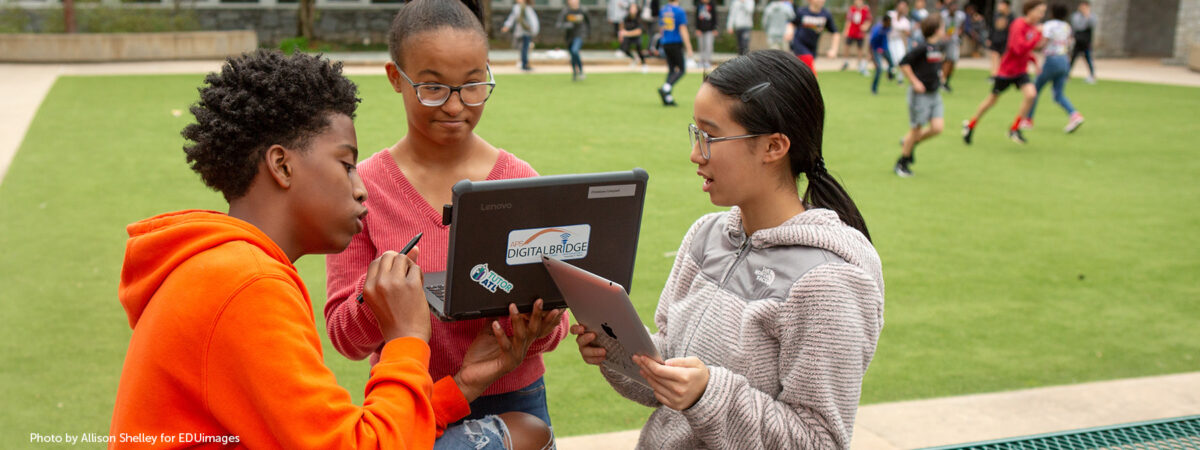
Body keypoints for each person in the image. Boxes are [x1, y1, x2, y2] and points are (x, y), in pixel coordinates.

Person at [111, 49, 553, 450]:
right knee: (526, 434)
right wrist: (405, 337)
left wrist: (462, 384)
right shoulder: (247, 284)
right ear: (282, 165)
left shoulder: (227, 267)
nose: (362, 191)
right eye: (346, 165)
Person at [572, 49, 884, 449]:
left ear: (774, 147)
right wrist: (615, 344)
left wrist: (708, 395)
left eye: (711, 136)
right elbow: (669, 370)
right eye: (695, 133)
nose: (695, 154)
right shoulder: (706, 234)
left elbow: (818, 441)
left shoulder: (829, 280)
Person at [324, 0, 569, 442]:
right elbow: (345, 337)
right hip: (406, 401)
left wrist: (542, 324)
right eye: (433, 88)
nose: (456, 106)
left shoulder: (520, 181)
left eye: (473, 85)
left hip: (518, 396)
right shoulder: (364, 190)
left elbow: (555, 328)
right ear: (396, 77)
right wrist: (383, 295)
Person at [962, 0, 1046, 145]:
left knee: (1031, 94)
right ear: (1030, 10)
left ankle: (1015, 128)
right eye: (1039, 11)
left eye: (1043, 12)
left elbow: (1026, 51)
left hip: (1021, 71)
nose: (1041, 15)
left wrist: (1034, 62)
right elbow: (1017, 48)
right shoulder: (1019, 24)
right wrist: (1038, 37)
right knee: (991, 101)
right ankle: (970, 124)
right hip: (1007, 71)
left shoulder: (1032, 28)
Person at [895, 15, 946, 177]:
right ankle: (902, 163)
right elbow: (903, 63)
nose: (944, 30)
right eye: (943, 27)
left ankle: (908, 142)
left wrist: (940, 75)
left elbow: (933, 66)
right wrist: (915, 82)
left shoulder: (937, 46)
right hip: (920, 96)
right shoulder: (922, 47)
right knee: (916, 129)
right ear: (937, 29)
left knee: (937, 128)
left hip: (934, 94)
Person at [1025, 2, 1085, 133]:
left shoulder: (1049, 25)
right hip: (1064, 61)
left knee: (1034, 90)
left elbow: (1042, 42)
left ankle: (1028, 120)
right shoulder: (1067, 27)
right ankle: (1074, 115)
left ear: (1052, 13)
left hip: (1052, 60)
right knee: (1058, 94)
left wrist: (1030, 45)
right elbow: (1069, 44)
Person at [785, 0, 840, 75]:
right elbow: (792, 23)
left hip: (812, 47)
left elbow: (835, 33)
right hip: (799, 44)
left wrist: (834, 49)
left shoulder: (826, 14)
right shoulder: (802, 12)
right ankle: (813, 84)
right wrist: (789, 31)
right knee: (809, 66)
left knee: (803, 71)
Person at [657, 0, 694, 106]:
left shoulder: (663, 10)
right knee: (681, 69)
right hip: (675, 43)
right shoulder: (679, 11)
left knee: (672, 69)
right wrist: (689, 47)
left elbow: (661, 28)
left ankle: (668, 98)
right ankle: (665, 88)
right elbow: (683, 29)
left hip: (666, 42)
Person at [557, 0, 591, 81]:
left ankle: (581, 71)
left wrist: (588, 33)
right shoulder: (566, 11)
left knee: (575, 51)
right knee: (572, 54)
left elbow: (588, 23)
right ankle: (575, 73)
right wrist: (567, 25)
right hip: (569, 37)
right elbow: (559, 24)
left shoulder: (583, 10)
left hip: (580, 34)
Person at [502, 0, 539, 72]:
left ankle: (524, 64)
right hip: (519, 32)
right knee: (522, 48)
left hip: (527, 32)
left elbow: (533, 20)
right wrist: (506, 26)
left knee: (525, 48)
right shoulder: (516, 8)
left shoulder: (527, 8)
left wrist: (534, 30)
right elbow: (512, 18)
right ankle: (523, 63)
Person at [939, 0, 965, 91]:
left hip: (953, 41)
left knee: (952, 60)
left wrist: (959, 34)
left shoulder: (960, 16)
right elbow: (940, 28)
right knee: (941, 60)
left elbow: (961, 27)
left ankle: (945, 82)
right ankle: (941, 80)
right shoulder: (943, 16)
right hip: (941, 40)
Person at [842, 0, 873, 75]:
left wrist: (865, 26)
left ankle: (859, 64)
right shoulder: (852, 9)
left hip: (860, 33)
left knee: (860, 49)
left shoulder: (865, 9)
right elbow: (848, 20)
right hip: (852, 32)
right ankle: (846, 62)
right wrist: (846, 30)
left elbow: (869, 20)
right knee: (847, 46)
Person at [1069, 0, 1097, 84]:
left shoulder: (1092, 16)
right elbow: (1078, 26)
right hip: (1077, 41)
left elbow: (1092, 25)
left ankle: (1092, 76)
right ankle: (1066, 75)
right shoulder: (1075, 16)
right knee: (1072, 59)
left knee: (1088, 59)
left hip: (1086, 42)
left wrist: (1087, 16)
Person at [869, 15, 896, 95]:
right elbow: (871, 42)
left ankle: (890, 76)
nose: (889, 24)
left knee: (892, 64)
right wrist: (871, 55)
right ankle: (874, 88)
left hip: (885, 48)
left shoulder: (889, 27)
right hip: (876, 50)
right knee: (879, 69)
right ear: (884, 22)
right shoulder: (877, 30)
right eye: (888, 22)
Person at [620, 2, 649, 72]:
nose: (632, 10)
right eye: (631, 8)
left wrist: (627, 33)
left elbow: (638, 31)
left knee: (639, 49)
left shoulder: (639, 19)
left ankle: (644, 64)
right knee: (624, 49)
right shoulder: (626, 18)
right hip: (628, 37)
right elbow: (622, 26)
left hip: (636, 37)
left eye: (634, 8)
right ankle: (634, 59)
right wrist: (621, 33)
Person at [988, 0, 1014, 77]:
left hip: (1005, 40)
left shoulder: (1011, 17)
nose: (1000, 7)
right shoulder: (996, 15)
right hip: (995, 39)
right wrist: (989, 38)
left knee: (1004, 59)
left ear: (1007, 6)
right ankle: (993, 75)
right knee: (994, 57)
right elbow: (992, 28)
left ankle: (1002, 74)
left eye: (1002, 5)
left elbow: (1012, 30)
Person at [887, 1, 913, 68]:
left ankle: (900, 77)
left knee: (901, 57)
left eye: (904, 6)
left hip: (898, 40)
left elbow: (908, 33)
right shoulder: (890, 14)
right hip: (889, 39)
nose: (902, 7)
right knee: (892, 59)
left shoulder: (905, 21)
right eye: (901, 5)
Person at [695, 0, 718, 69]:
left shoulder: (712, 4)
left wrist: (715, 28)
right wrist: (697, 28)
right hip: (701, 29)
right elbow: (696, 17)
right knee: (701, 46)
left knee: (708, 45)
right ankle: (701, 61)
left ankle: (707, 61)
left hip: (710, 29)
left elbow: (715, 17)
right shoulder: (699, 4)